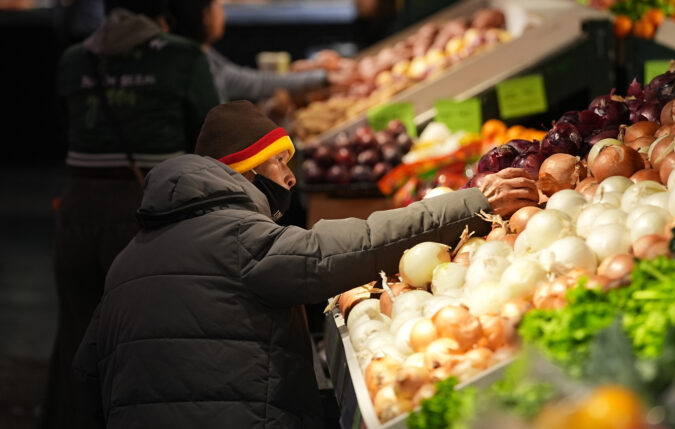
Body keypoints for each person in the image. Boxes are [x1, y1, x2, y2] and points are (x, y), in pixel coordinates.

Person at [72, 100, 537, 428]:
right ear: (245, 169)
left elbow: (86, 377)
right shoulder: (236, 238)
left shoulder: (128, 258)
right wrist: (469, 205)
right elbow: (345, 250)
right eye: (279, 162)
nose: (291, 176)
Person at [41, 0, 219, 427]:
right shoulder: (183, 57)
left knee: (76, 336)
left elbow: (66, 127)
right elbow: (209, 137)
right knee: (147, 343)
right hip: (145, 216)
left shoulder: (72, 60)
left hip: (76, 213)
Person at [166, 0, 336, 103]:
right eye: (216, 4)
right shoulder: (195, 63)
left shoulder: (200, 54)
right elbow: (250, 83)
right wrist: (323, 78)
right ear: (205, 16)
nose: (222, 11)